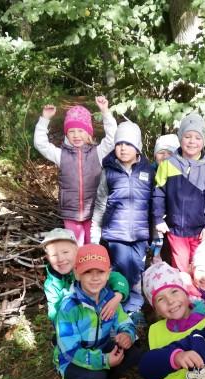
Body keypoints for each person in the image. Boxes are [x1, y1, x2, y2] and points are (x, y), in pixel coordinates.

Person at [55, 244, 140, 379]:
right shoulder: (69, 307)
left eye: (100, 272)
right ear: (77, 274)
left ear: (108, 274)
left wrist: (126, 334)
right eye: (88, 272)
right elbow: (71, 351)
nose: (95, 278)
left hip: (101, 346)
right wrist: (104, 360)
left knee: (133, 353)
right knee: (95, 376)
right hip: (73, 358)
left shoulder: (110, 299)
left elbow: (125, 322)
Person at [90, 121, 153, 321]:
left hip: (140, 234)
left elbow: (153, 204)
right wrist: (95, 234)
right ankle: (119, 308)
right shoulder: (108, 172)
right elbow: (101, 203)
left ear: (138, 147)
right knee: (120, 270)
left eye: (128, 144)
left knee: (136, 271)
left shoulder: (148, 171)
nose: (123, 148)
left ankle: (134, 307)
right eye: (119, 144)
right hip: (116, 233)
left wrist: (154, 234)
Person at [34, 97, 116, 245]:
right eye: (71, 131)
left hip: (94, 213)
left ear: (88, 133)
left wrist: (105, 112)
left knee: (92, 249)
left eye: (80, 131)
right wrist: (45, 119)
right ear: (66, 134)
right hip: (71, 213)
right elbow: (40, 144)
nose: (76, 135)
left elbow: (112, 138)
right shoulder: (61, 155)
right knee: (76, 248)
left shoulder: (98, 153)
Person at [152, 113, 205, 273]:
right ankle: (183, 288)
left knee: (200, 269)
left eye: (197, 137)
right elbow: (159, 193)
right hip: (176, 230)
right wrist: (158, 218)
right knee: (182, 271)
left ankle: (198, 290)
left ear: (204, 141)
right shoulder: (168, 165)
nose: (192, 141)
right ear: (180, 138)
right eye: (187, 136)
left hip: (199, 231)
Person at [41, 228, 128, 324]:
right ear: (47, 257)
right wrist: (63, 326)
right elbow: (54, 310)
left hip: (103, 315)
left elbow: (117, 278)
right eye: (54, 255)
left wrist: (118, 296)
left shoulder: (87, 267)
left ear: (76, 250)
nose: (60, 259)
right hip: (74, 322)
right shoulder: (51, 284)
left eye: (65, 252)